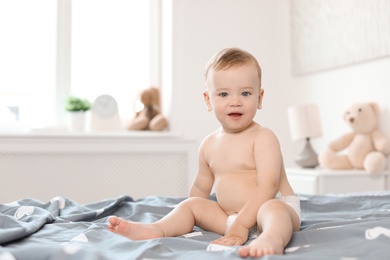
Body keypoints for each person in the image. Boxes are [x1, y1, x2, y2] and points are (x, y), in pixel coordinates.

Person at [108, 47, 301, 258]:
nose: (235, 101)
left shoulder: (263, 137)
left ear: (260, 97)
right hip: (230, 218)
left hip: (269, 213)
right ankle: (157, 229)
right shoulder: (209, 144)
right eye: (224, 94)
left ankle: (272, 239)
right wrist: (194, 214)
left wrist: (241, 224)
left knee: (273, 209)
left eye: (245, 93)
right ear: (208, 100)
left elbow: (268, 186)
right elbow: (200, 188)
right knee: (191, 205)